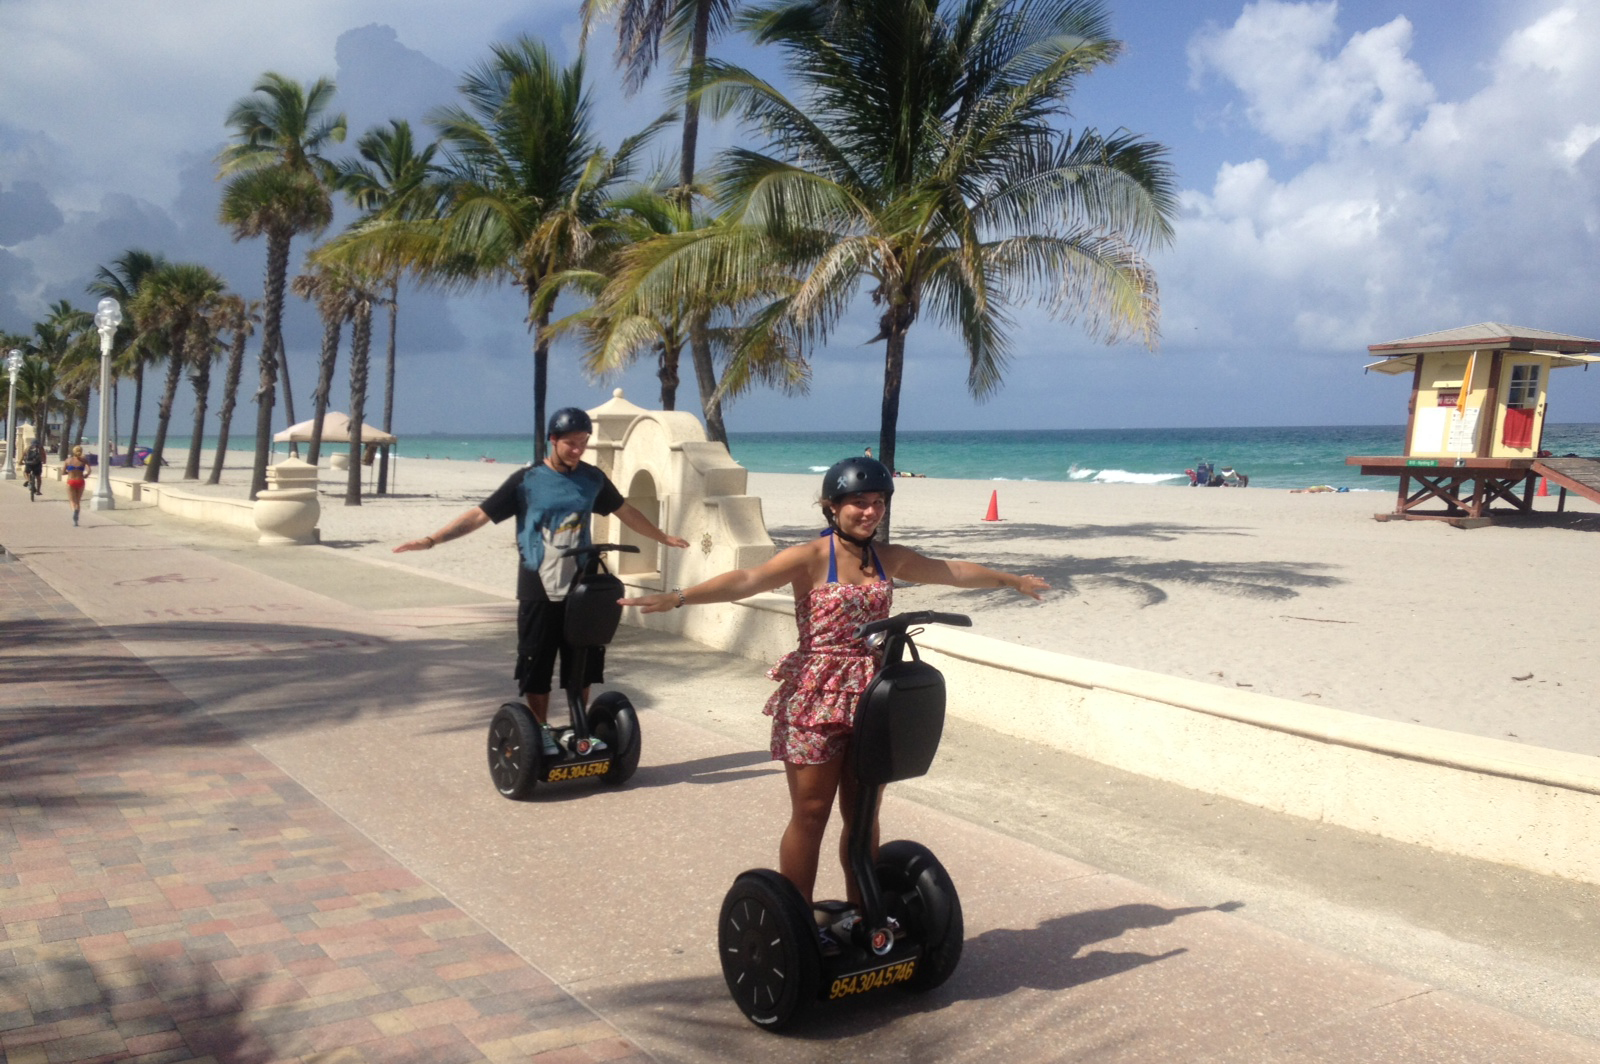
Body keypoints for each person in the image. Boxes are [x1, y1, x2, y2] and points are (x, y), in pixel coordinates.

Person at [622, 456, 1048, 923]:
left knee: (864, 814)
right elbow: (746, 580)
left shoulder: (889, 557)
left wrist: (1011, 580)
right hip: (817, 693)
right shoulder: (810, 557)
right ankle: (797, 923)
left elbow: (949, 570)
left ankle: (864, 915)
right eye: (858, 503)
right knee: (811, 811)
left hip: (873, 693)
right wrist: (679, 596)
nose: (869, 512)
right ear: (832, 507)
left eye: (878, 503)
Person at [394, 407, 689, 755]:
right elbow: (479, 515)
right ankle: (543, 729)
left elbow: (625, 511)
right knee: (537, 663)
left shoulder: (592, 479)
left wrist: (662, 537)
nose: (577, 450)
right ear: (553, 440)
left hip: (582, 588)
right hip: (538, 587)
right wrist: (431, 540)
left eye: (583, 443)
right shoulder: (527, 480)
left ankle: (581, 728)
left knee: (582, 661)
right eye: (570, 444)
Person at [63, 445, 89, 524]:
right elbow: (89, 470)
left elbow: (62, 472)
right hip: (80, 481)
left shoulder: (68, 461)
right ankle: (76, 517)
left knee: (72, 500)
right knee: (78, 501)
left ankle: (74, 511)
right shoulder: (84, 461)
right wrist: (86, 475)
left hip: (71, 481)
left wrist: (68, 472)